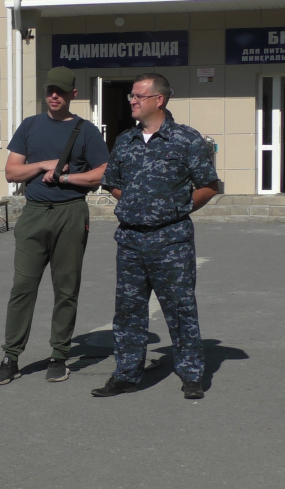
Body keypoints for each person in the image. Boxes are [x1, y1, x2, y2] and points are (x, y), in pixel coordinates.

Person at [91, 73, 219, 400]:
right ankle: (126, 374)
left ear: (158, 100)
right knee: (129, 311)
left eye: (138, 96)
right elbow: (112, 182)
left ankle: (191, 375)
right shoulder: (124, 140)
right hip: (131, 240)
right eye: (131, 96)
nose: (131, 100)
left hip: (171, 241)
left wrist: (176, 209)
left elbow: (208, 185)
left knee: (180, 308)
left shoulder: (187, 140)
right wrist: (137, 203)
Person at [0, 66, 108, 386]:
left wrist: (67, 177)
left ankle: (59, 355)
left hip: (71, 213)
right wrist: (43, 164)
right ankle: (10, 357)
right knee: (22, 287)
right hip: (34, 213)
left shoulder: (86, 130)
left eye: (60, 91)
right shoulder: (30, 126)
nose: (53, 96)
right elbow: (12, 172)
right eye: (49, 90)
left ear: (73, 94)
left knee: (66, 289)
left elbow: (102, 174)